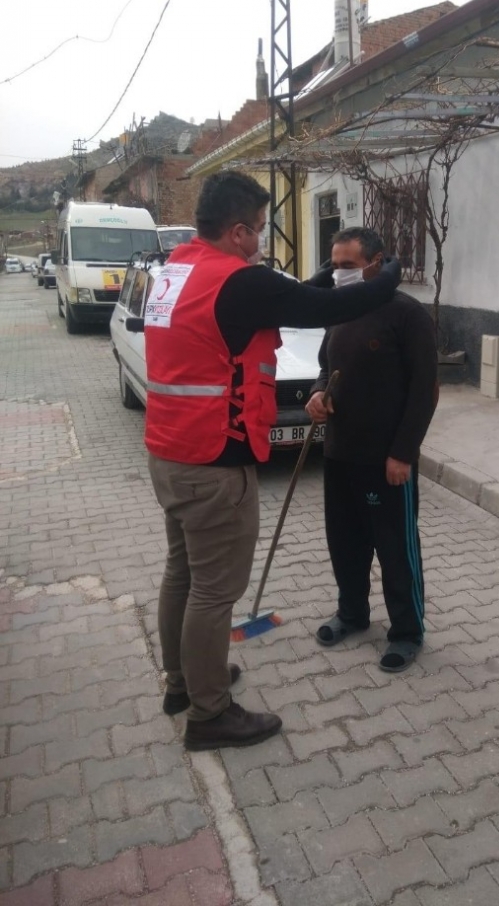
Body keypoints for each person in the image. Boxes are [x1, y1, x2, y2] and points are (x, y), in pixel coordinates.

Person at [144, 173, 402, 751]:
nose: (261, 242)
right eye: (258, 231)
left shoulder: (177, 272)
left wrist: (327, 279)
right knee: (214, 591)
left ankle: (183, 683)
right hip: (214, 461)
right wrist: (387, 279)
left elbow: (287, 295)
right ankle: (210, 715)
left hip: (169, 452)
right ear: (237, 231)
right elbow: (329, 303)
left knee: (181, 573)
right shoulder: (237, 281)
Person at [306, 227, 438, 673]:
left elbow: (426, 391)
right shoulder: (340, 312)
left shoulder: (408, 315)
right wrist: (318, 394)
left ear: (376, 263)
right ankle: (352, 614)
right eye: (334, 265)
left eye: (347, 265)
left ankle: (406, 631)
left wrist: (403, 452)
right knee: (345, 543)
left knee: (396, 548)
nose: (338, 274)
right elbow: (327, 368)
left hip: (386, 461)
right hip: (339, 452)